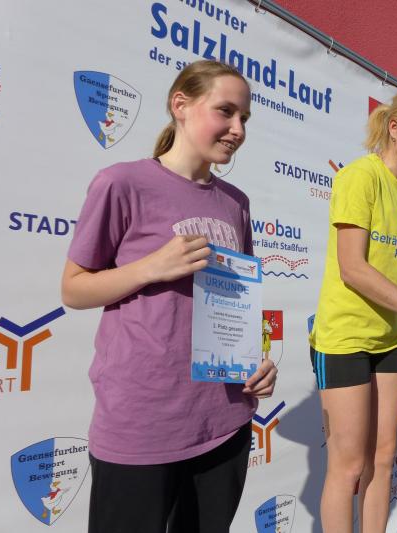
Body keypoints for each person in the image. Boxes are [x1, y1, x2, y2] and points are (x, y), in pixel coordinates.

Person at [61, 60, 278, 533]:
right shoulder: (122, 183)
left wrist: (255, 362)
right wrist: (151, 267)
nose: (238, 130)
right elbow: (73, 288)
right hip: (143, 421)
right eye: (225, 111)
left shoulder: (236, 203)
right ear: (181, 105)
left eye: (244, 118)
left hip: (225, 419)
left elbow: (236, 305)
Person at [308, 85, 397, 533]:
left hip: (388, 341)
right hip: (344, 339)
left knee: (384, 458)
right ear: (394, 127)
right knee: (348, 466)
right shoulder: (359, 177)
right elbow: (353, 268)